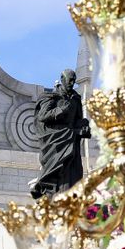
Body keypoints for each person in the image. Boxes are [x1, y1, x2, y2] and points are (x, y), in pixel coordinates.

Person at [30, 69, 91, 199]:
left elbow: (77, 120)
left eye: (73, 81)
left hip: (71, 143)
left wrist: (83, 125)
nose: (72, 83)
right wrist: (61, 110)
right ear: (62, 79)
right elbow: (43, 116)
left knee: (74, 174)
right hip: (56, 144)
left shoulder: (75, 99)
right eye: (69, 81)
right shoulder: (51, 97)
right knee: (59, 175)